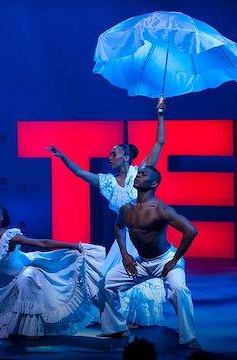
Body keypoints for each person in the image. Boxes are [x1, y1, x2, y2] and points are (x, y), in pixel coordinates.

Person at [46, 98, 167, 327]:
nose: (109, 157)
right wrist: (62, 157)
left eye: (114, 154)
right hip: (124, 237)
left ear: (126, 157)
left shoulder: (138, 173)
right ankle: (117, 321)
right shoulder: (108, 182)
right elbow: (81, 172)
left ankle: (134, 319)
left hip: (144, 236)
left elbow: (159, 143)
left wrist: (160, 114)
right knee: (111, 279)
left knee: (139, 278)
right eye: (110, 154)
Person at [0, 203, 105, 339]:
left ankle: (30, 330)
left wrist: (74, 246)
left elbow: (42, 243)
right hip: (4, 276)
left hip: (25, 269)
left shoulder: (9, 236)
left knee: (27, 278)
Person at [98, 166, 200, 348]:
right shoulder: (127, 209)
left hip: (165, 260)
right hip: (141, 262)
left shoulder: (161, 209)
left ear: (154, 183)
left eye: (143, 174)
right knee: (105, 284)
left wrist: (174, 261)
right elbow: (118, 227)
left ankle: (189, 338)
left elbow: (191, 230)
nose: (138, 176)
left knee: (179, 290)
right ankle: (116, 328)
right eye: (138, 174)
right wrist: (125, 254)